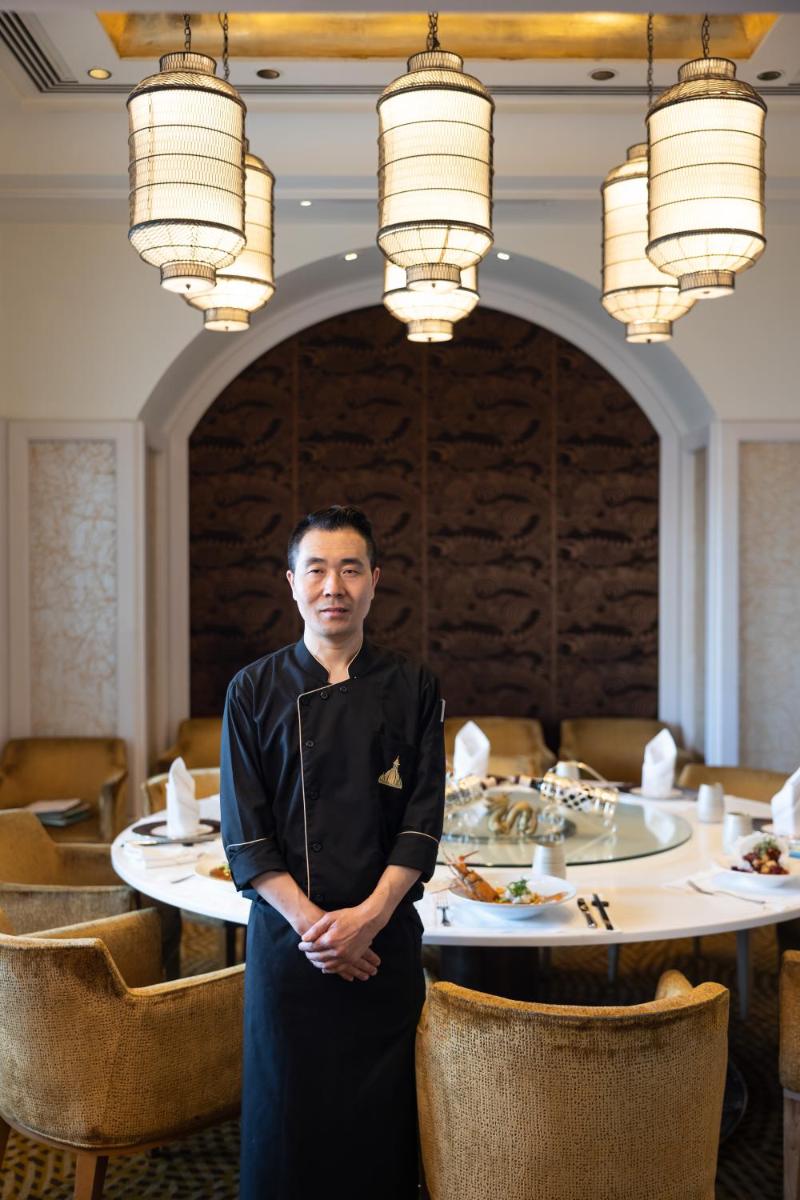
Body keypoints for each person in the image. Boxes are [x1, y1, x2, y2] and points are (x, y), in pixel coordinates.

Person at [220, 505, 445, 1200]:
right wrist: (321, 931)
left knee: (381, 1136)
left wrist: (368, 920)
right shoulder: (251, 691)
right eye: (316, 569)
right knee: (287, 1133)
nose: (333, 586)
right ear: (291, 583)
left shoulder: (413, 686)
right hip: (292, 952)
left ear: (374, 581)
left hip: (384, 948)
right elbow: (247, 834)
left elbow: (423, 821)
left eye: (350, 569)